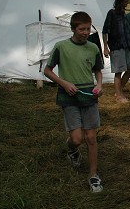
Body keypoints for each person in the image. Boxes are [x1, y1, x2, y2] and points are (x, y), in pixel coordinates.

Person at [43, 11, 104, 193]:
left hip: (88, 97)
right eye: (81, 29)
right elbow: (47, 70)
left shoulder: (93, 48)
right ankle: (72, 149)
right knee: (77, 139)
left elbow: (98, 70)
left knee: (91, 137)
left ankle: (93, 176)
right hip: (68, 97)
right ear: (73, 28)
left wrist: (99, 85)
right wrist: (64, 83)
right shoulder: (61, 47)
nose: (86, 32)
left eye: (88, 28)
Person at [102, 0, 130, 103]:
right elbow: (105, 31)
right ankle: (119, 96)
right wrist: (105, 47)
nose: (128, 1)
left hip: (125, 46)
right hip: (116, 46)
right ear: (121, 0)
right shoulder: (112, 13)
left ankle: (118, 90)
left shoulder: (123, 14)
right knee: (118, 72)